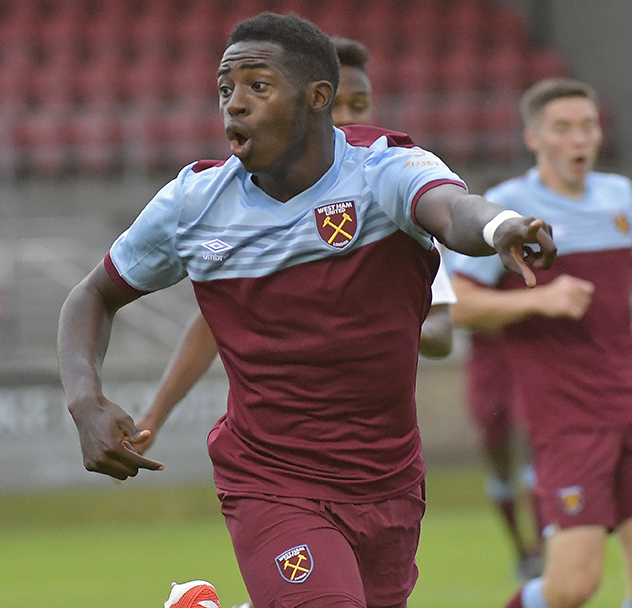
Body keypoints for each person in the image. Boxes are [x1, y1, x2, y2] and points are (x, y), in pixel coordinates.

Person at [56, 12, 556, 608]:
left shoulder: (383, 170)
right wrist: (85, 401)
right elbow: (92, 295)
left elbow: (453, 210)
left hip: (388, 479)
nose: (233, 105)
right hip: (271, 477)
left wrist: (500, 226)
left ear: (319, 98)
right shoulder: (194, 204)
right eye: (225, 89)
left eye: (256, 86)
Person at [446, 77, 632, 608]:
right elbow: (455, 305)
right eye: (563, 129)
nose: (579, 139)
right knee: (573, 585)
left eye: (587, 126)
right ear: (534, 139)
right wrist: (536, 300)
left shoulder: (618, 196)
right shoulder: (507, 209)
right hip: (566, 416)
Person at [134, 36, 456, 450]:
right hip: (273, 453)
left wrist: (374, 327)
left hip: (370, 450)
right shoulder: (237, 202)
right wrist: (154, 415)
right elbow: (215, 322)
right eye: (336, 104)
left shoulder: (396, 199)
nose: (344, 117)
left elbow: (442, 332)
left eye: (357, 106)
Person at [464, 327, 545, 581]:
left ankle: (541, 550)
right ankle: (522, 550)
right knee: (499, 463)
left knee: (529, 444)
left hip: (527, 352)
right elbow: (458, 311)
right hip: (488, 365)